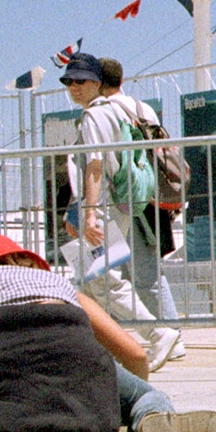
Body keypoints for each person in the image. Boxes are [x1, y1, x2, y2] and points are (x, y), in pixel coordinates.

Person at [0, 233, 216, 432]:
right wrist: (123, 399)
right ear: (22, 260)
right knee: (146, 396)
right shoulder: (54, 283)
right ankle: (148, 420)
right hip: (68, 351)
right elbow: (134, 353)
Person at [60, 52, 182, 372]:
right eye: (68, 81)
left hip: (103, 207)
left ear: (97, 83)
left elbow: (95, 166)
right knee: (91, 282)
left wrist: (87, 213)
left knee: (105, 281)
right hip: (121, 205)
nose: (73, 87)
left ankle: (158, 333)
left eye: (80, 81)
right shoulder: (118, 112)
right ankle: (100, 349)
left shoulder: (94, 117)